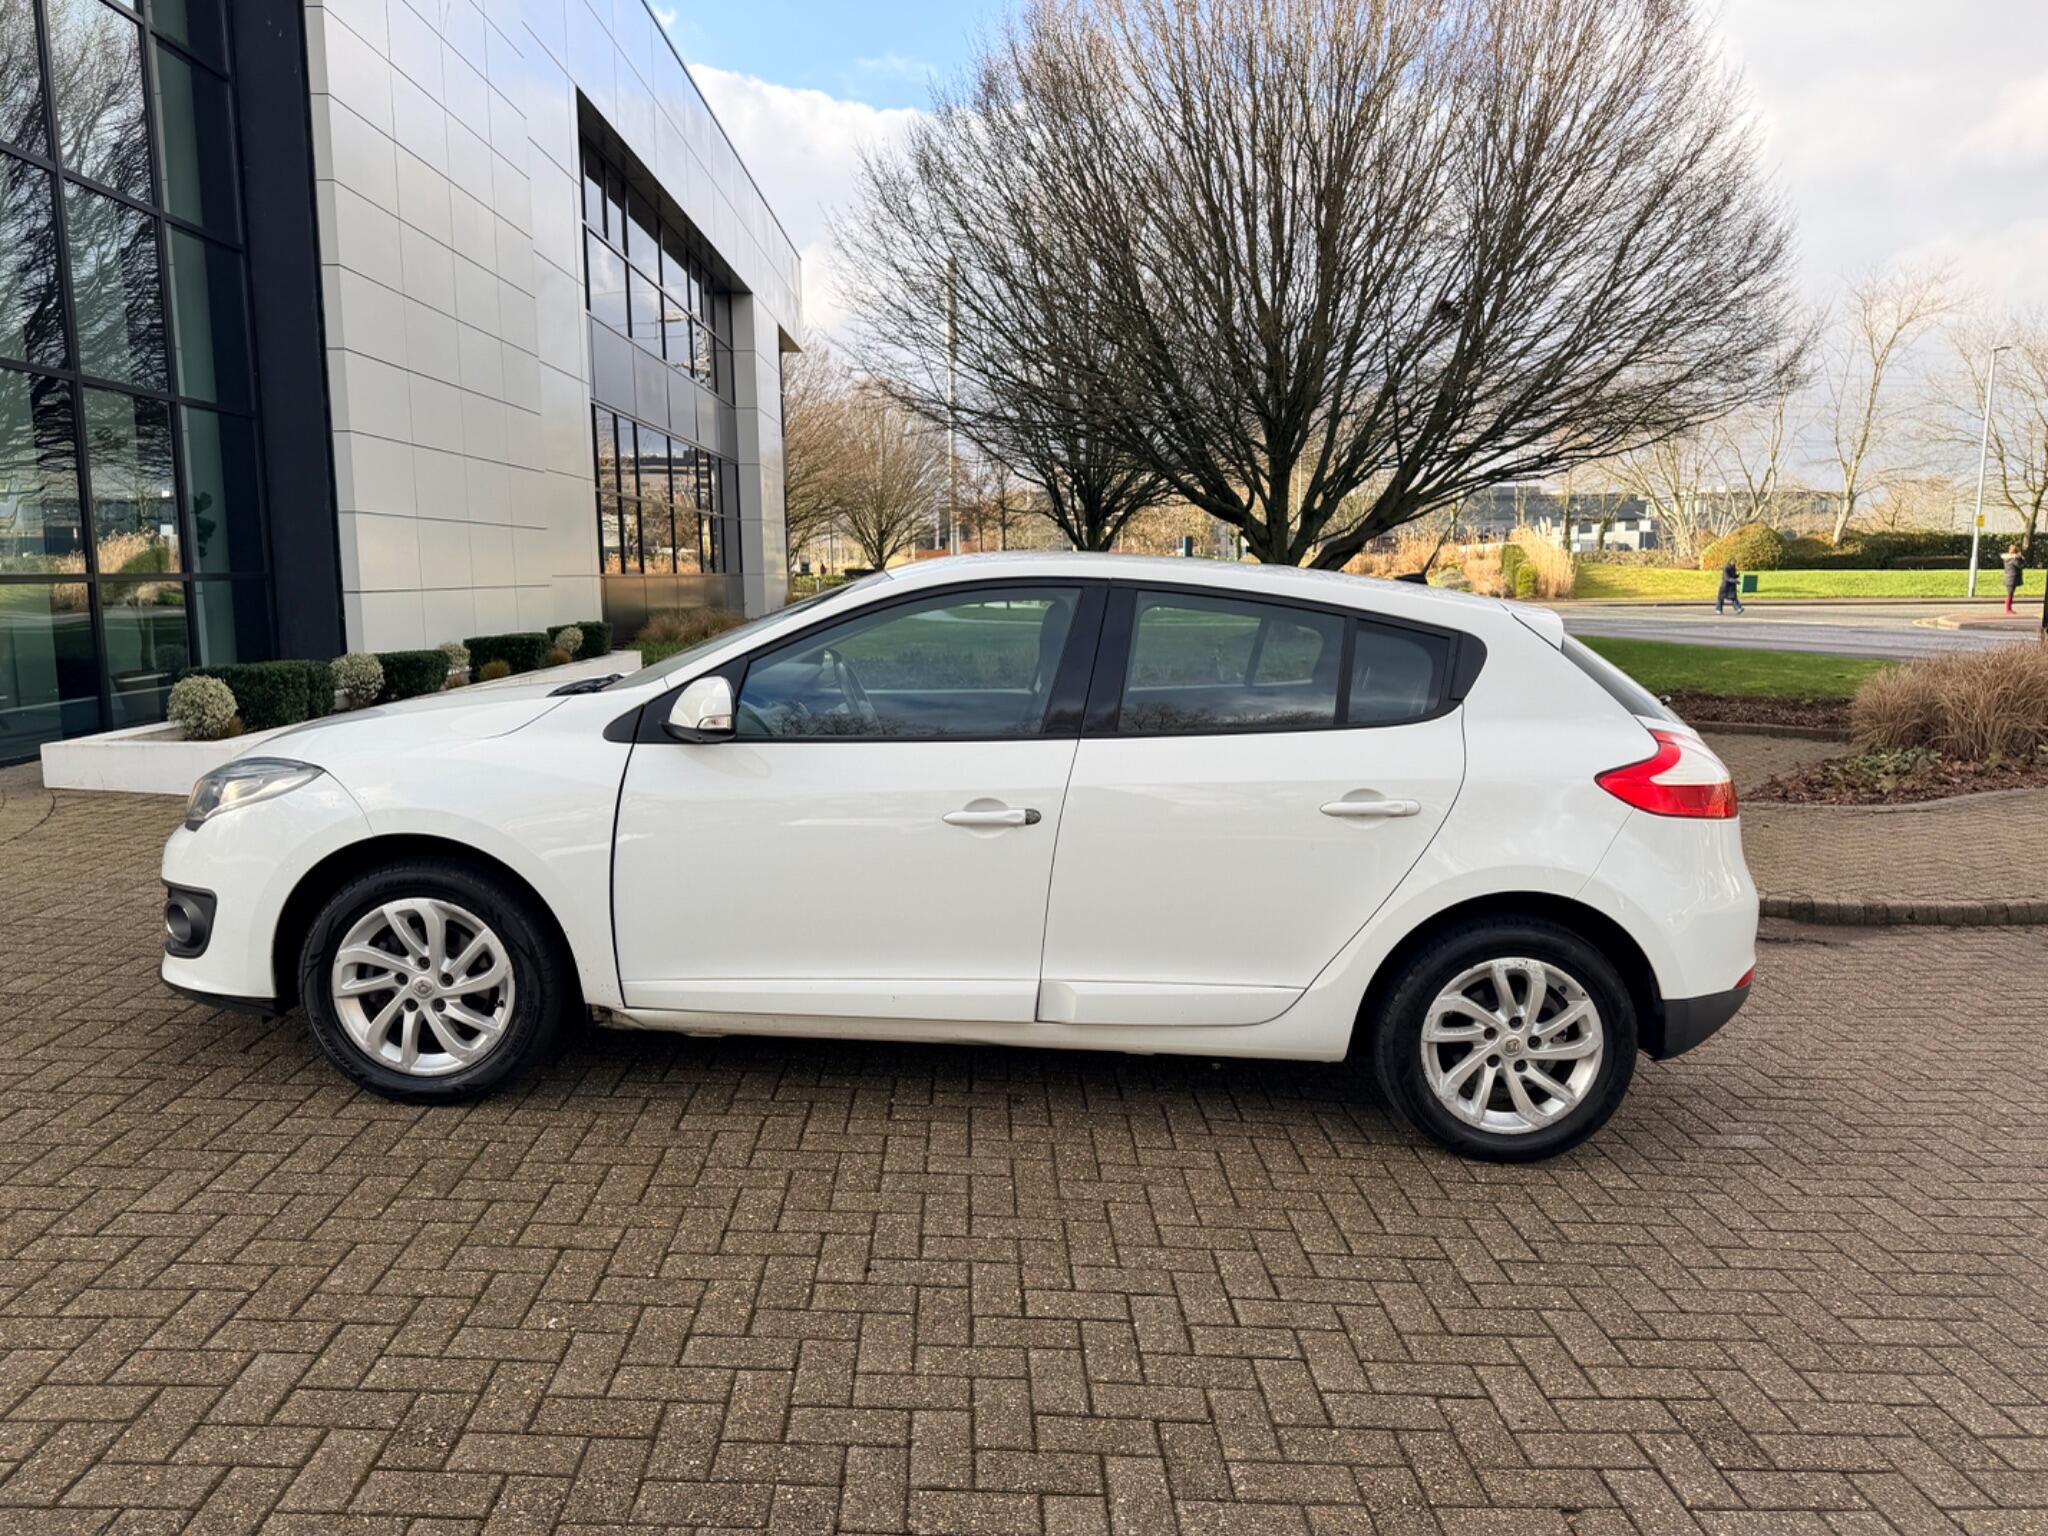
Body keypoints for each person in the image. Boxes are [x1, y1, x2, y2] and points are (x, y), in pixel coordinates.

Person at [2002, 545, 2024, 615]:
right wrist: (2021, 559)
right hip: (2012, 578)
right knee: (2010, 594)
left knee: (2010, 594)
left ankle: (2008, 608)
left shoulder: (2007, 558)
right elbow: (2021, 566)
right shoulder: (2014, 560)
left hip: (2008, 577)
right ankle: (2008, 609)